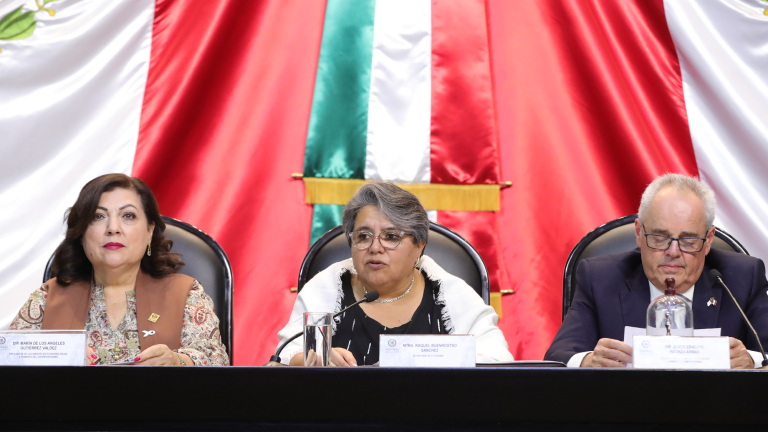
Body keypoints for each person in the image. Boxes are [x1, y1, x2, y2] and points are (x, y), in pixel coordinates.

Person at [545, 174, 768, 369]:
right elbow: (559, 356)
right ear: (639, 233)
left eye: (688, 240)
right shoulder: (601, 277)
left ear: (708, 240)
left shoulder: (741, 277)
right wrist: (588, 361)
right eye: (660, 238)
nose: (673, 251)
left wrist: (752, 359)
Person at [276, 182, 513, 366]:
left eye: (391, 237)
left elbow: (497, 362)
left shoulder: (452, 295)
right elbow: (285, 355)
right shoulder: (326, 289)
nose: (375, 247)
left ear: (419, 245)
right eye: (363, 236)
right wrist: (316, 360)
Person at [10, 174, 229, 366]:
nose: (113, 228)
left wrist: (177, 361)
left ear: (149, 231)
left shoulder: (186, 293)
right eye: (98, 216)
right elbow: (7, 356)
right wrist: (56, 356)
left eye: (128, 216)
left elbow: (217, 363)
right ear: (82, 233)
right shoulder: (50, 296)